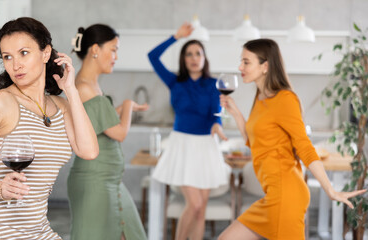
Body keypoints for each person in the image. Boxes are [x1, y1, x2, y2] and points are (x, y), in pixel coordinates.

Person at [0, 17, 99, 239]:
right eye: (7, 57)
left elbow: (89, 151)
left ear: (45, 53)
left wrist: (71, 89)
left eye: (24, 53)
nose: (15, 65)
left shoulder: (62, 105)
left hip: (38, 229)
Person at [218, 38, 366, 240]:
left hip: (286, 196)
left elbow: (304, 147)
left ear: (265, 66)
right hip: (273, 196)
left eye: (246, 62)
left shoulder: (285, 99)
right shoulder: (260, 98)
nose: (240, 67)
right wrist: (235, 112)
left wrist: (330, 190)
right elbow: (255, 143)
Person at [147, 22, 231, 240]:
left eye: (198, 53)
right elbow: (152, 56)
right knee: (193, 204)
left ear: (204, 58)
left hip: (206, 146)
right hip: (182, 146)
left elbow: (216, 113)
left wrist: (217, 126)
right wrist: (175, 37)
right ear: (183, 59)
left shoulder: (215, 84)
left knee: (201, 207)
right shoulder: (175, 82)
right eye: (189, 54)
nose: (194, 58)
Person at [67, 24, 148, 240]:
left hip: (110, 181)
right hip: (95, 181)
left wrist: (122, 109)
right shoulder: (83, 87)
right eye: (113, 49)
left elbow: (99, 119)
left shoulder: (92, 85)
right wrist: (130, 105)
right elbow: (119, 132)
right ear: (95, 49)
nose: (116, 56)